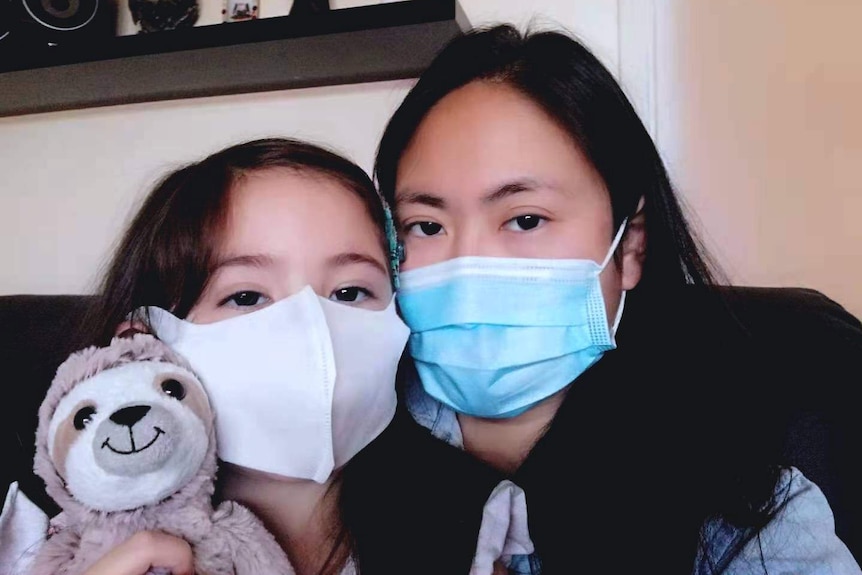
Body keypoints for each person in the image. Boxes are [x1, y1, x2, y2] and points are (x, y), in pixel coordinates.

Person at [373, 23, 862, 574]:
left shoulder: (746, 517)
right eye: (425, 226)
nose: (467, 266)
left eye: (526, 219)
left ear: (629, 246)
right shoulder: (342, 456)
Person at [0, 137, 533, 575]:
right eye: (247, 297)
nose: (314, 331)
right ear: (144, 345)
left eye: (350, 293)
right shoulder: (49, 539)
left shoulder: (464, 531)